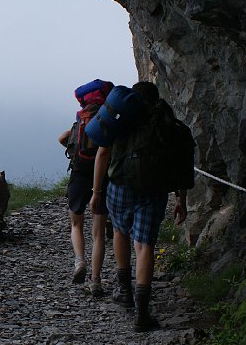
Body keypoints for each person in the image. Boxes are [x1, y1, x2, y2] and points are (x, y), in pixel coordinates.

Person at [88, 81, 187, 332]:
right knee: (145, 245)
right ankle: (142, 313)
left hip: (120, 187)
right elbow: (178, 162)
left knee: (120, 232)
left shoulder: (122, 119)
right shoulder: (165, 123)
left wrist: (97, 191)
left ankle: (125, 292)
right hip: (154, 191)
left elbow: (102, 154)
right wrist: (181, 199)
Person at [58, 118, 109, 299]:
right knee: (98, 233)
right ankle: (95, 280)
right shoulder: (108, 123)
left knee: (76, 224)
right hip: (102, 179)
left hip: (79, 175)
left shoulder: (81, 123)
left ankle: (80, 261)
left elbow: (62, 137)